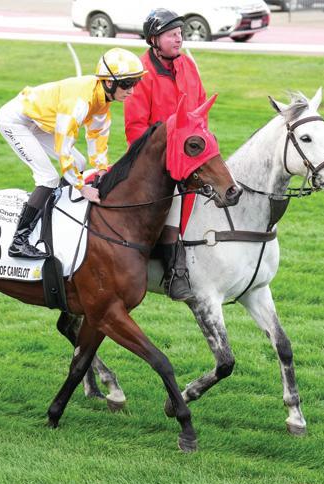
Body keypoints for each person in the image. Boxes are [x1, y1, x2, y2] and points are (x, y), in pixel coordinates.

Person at [0, 47, 146, 259]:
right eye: (127, 83)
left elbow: (97, 136)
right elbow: (63, 146)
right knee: (48, 178)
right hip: (16, 121)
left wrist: (102, 169)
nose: (131, 90)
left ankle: (52, 214)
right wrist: (81, 187)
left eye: (135, 83)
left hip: (38, 122)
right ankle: (19, 241)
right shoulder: (80, 101)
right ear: (109, 82)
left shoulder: (102, 100)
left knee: (80, 161)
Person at [124, 8, 207, 301]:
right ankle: (175, 271)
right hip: (155, 161)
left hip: (190, 154)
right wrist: (169, 158)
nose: (179, 39)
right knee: (173, 196)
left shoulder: (188, 66)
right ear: (154, 40)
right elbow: (135, 129)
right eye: (172, 35)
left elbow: (201, 112)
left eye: (180, 34)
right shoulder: (141, 73)